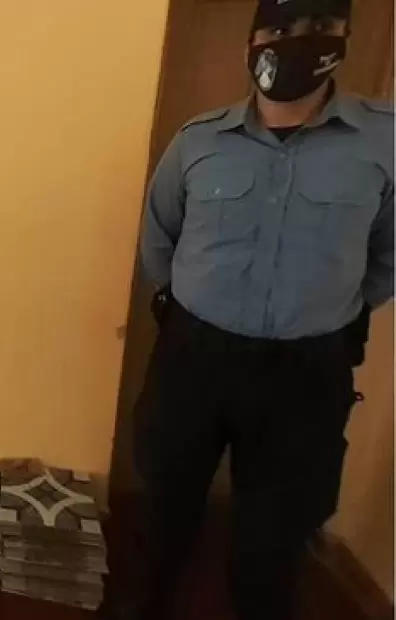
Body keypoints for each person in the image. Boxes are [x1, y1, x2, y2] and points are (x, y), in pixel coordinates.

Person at [104, 0, 393, 619]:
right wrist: (194, 302)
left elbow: (389, 254)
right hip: (194, 357)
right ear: (251, 44)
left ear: (344, 38)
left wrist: (326, 310)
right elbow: (159, 237)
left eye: (320, 29)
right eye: (279, 30)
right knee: (163, 505)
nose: (296, 43)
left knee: (275, 533)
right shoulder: (199, 140)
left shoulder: (384, 140)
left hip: (307, 371)